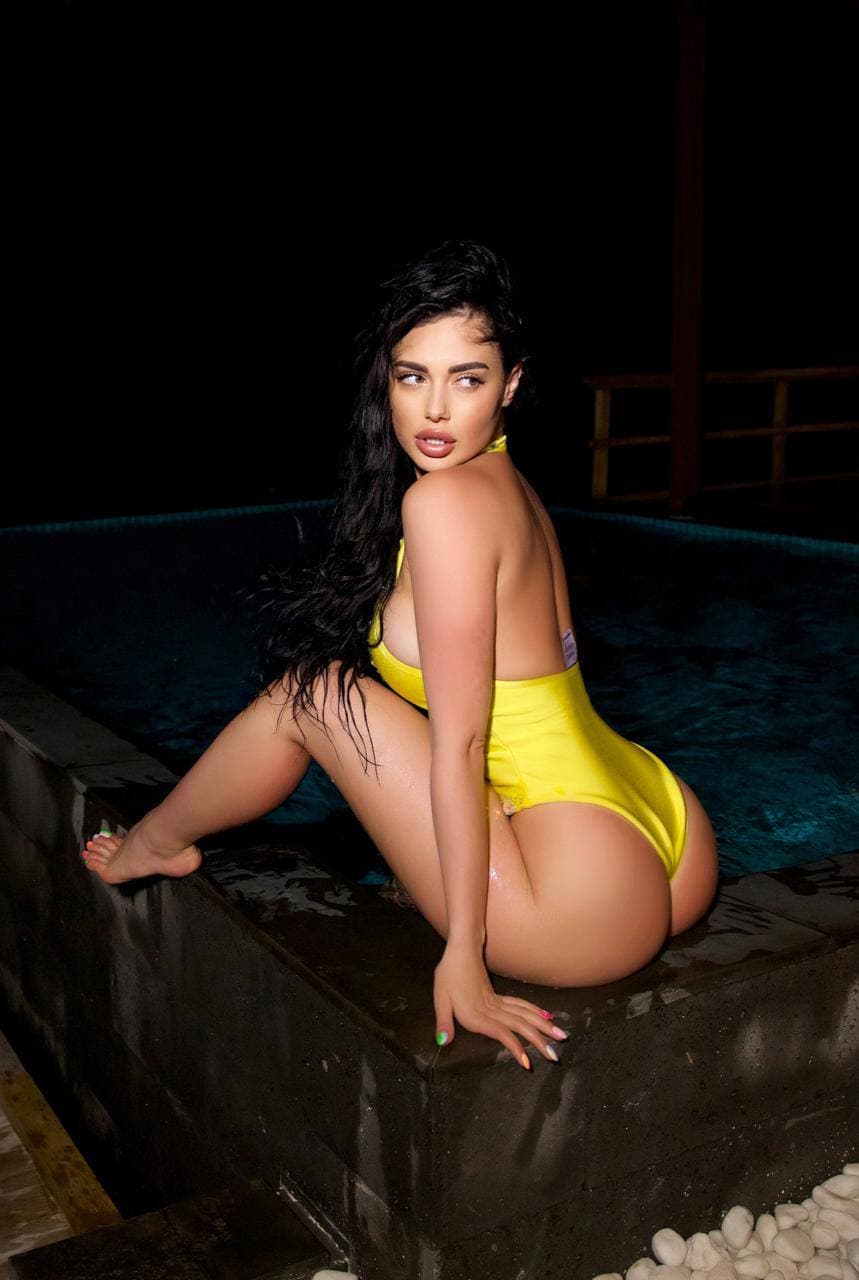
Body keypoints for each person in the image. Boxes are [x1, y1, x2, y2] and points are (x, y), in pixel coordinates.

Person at [80, 239, 719, 1073]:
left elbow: (460, 742)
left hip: (577, 909)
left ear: (511, 384)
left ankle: (155, 842)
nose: (435, 411)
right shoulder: (507, 481)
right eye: (413, 377)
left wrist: (463, 953)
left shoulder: (443, 504)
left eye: (467, 379)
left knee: (313, 693)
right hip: (663, 826)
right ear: (386, 381)